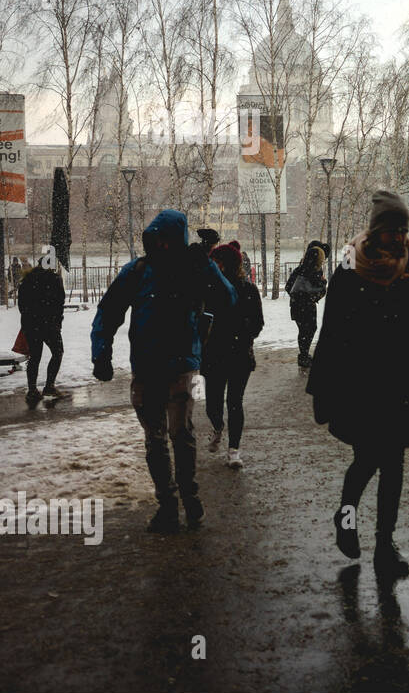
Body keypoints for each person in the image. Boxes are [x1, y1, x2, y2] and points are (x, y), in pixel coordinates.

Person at [307, 190, 409, 578]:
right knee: (368, 459)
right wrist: (321, 391)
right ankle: (347, 517)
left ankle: (384, 545)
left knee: (394, 465)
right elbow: (332, 332)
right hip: (360, 383)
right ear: (375, 232)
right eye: (392, 230)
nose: (399, 238)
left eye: (404, 230)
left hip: (402, 384)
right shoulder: (349, 268)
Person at [91, 210, 237, 533]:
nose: (162, 246)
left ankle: (188, 497)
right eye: (157, 240)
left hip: (186, 369)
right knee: (157, 440)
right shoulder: (139, 272)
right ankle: (169, 504)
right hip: (147, 371)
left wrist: (207, 266)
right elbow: (109, 309)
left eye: (165, 240)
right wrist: (101, 353)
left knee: (180, 434)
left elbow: (228, 298)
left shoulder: (193, 269)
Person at [202, 243, 264, 469]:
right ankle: (218, 427)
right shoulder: (208, 289)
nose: (215, 266)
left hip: (239, 355)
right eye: (213, 262)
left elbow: (258, 322)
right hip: (213, 355)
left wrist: (241, 333)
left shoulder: (247, 290)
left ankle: (234, 450)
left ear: (229, 264)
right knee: (212, 404)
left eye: (218, 262)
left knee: (235, 402)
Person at [18, 255, 68, 407]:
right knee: (57, 351)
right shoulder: (54, 279)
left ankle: (32, 390)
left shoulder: (27, 280)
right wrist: (57, 321)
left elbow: (22, 304)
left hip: (31, 324)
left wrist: (28, 319)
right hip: (49, 324)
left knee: (35, 357)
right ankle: (49, 386)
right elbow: (59, 302)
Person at [286, 242, 328, 367]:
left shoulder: (299, 269)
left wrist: (296, 296)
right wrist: (322, 284)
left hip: (296, 305)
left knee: (303, 330)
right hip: (307, 306)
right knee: (309, 329)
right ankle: (303, 356)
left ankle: (303, 355)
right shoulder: (314, 272)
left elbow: (289, 286)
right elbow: (319, 288)